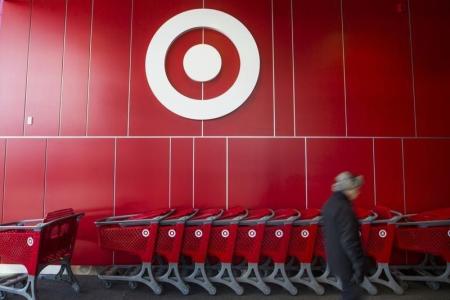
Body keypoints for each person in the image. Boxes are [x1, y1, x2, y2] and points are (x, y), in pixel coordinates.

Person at [321, 171, 365, 300]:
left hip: (335, 257)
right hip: (346, 260)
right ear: (348, 189)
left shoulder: (329, 204)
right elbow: (349, 240)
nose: (358, 191)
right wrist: (358, 264)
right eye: (356, 188)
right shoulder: (345, 208)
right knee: (351, 294)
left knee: (348, 292)